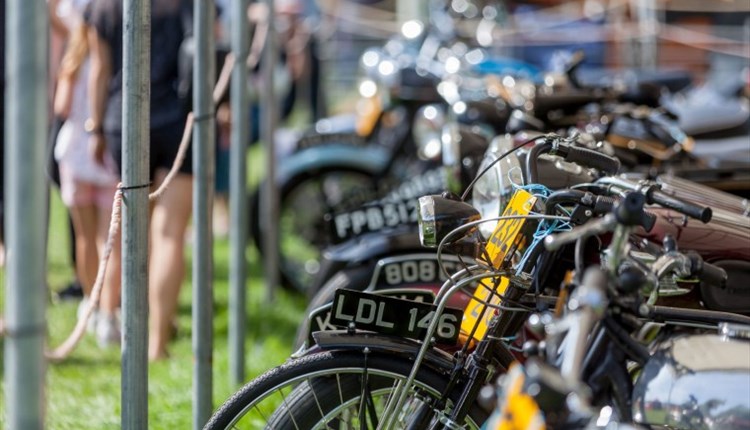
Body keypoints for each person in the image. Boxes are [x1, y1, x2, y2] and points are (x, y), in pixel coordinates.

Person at [88, 0, 193, 360]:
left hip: (125, 118)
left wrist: (95, 128)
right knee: (170, 235)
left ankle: (112, 321)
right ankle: (157, 344)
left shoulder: (102, 6)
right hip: (178, 117)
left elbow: (99, 69)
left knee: (130, 232)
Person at [53, 11, 123, 347]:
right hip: (107, 152)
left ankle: (92, 305)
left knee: (85, 239)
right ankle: (108, 315)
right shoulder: (114, 54)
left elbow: (61, 106)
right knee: (108, 242)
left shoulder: (74, 55)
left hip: (75, 155)